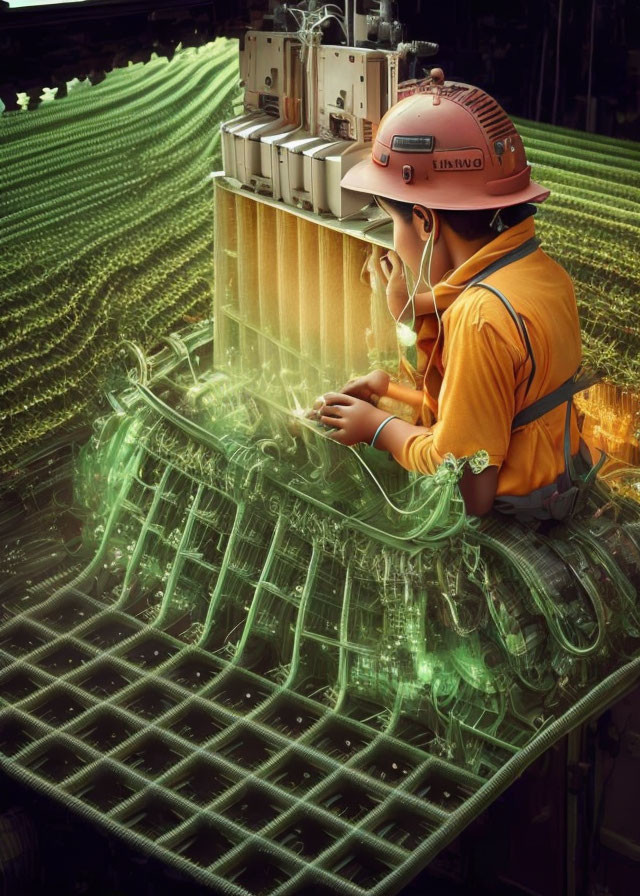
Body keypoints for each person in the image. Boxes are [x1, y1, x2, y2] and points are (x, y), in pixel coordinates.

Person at [313, 72, 597, 519]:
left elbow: (469, 484)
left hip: (517, 514)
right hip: (557, 477)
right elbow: (489, 407)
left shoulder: (479, 317)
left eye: (393, 223)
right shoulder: (541, 271)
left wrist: (378, 429)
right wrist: (388, 393)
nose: (394, 241)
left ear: (426, 221)